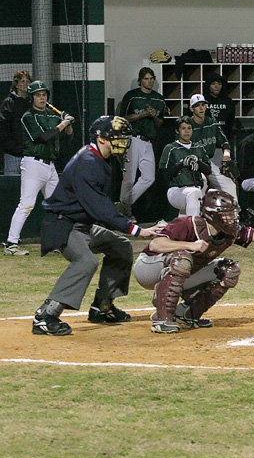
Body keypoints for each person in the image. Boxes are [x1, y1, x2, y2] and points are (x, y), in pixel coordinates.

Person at [31, 115, 160, 336]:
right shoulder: (88, 162)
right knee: (86, 261)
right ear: (101, 139)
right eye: (117, 137)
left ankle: (103, 306)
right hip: (63, 224)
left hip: (83, 224)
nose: (123, 142)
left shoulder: (102, 158)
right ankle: (46, 315)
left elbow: (99, 209)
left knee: (120, 246)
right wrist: (136, 229)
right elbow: (100, 209)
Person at [133, 189, 254, 333]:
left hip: (178, 270)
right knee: (182, 257)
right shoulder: (187, 223)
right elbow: (156, 244)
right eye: (227, 215)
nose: (232, 219)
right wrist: (190, 245)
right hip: (147, 268)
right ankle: (162, 318)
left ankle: (187, 314)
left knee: (229, 269)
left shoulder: (229, 232)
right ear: (213, 215)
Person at [4, 81, 74, 256]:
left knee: (58, 206)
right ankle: (11, 244)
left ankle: (54, 244)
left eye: (44, 95)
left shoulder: (52, 115)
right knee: (26, 204)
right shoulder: (28, 116)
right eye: (37, 95)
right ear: (32, 98)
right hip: (33, 164)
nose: (42, 98)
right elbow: (43, 137)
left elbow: (68, 137)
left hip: (50, 166)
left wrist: (69, 124)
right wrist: (63, 124)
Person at [117, 66, 166, 221]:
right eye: (146, 78)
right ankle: (125, 213)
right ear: (140, 80)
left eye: (151, 78)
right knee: (129, 178)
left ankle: (123, 205)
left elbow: (160, 123)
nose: (149, 81)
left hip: (148, 141)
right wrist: (143, 114)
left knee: (149, 177)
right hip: (132, 138)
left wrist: (153, 116)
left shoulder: (159, 99)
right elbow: (123, 118)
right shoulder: (132, 96)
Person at [158, 116, 212, 218]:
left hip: (196, 189)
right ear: (177, 131)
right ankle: (194, 228)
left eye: (189, 128)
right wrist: (181, 164)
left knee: (183, 221)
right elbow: (164, 173)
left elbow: (208, 170)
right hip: (176, 190)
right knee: (194, 193)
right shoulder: (170, 148)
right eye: (183, 128)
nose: (187, 131)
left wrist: (198, 162)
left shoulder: (198, 147)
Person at [189, 94, 237, 198]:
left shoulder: (211, 122)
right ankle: (197, 213)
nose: (201, 108)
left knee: (229, 186)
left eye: (203, 105)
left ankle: (233, 213)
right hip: (193, 164)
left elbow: (224, 142)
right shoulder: (187, 125)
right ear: (191, 108)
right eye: (197, 105)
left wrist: (226, 154)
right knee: (202, 182)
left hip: (208, 163)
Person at [0, 70, 33, 175]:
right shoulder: (8, 103)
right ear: (17, 84)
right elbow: (3, 127)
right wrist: (11, 147)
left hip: (30, 156)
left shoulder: (32, 103)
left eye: (28, 81)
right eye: (23, 81)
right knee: (12, 185)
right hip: (12, 155)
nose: (25, 84)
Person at [202, 72, 237, 168]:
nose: (216, 86)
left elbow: (230, 122)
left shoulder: (228, 102)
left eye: (219, 84)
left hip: (223, 144)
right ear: (208, 85)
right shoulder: (202, 102)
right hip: (206, 144)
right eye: (213, 84)